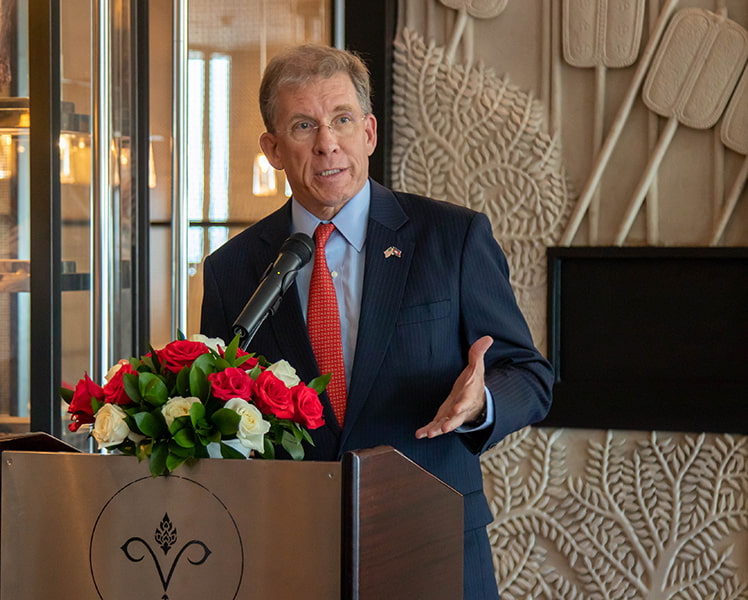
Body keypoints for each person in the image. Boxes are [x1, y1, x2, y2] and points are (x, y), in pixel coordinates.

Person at [200, 43, 553, 600]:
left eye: (342, 119)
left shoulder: (452, 238)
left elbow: (530, 375)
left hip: (432, 541)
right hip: (290, 554)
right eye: (303, 125)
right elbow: (222, 412)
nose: (326, 143)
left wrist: (481, 403)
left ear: (368, 131)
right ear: (271, 148)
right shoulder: (233, 269)